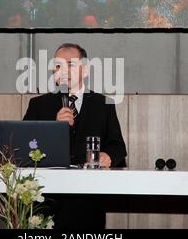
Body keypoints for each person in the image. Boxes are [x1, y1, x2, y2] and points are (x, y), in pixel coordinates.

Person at [23, 43, 127, 229]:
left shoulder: (103, 104)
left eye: (70, 64)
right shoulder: (38, 105)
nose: (63, 71)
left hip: (88, 199)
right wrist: (53, 128)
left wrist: (108, 156)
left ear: (85, 70)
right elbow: (24, 148)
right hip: (47, 199)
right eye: (57, 66)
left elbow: (118, 146)